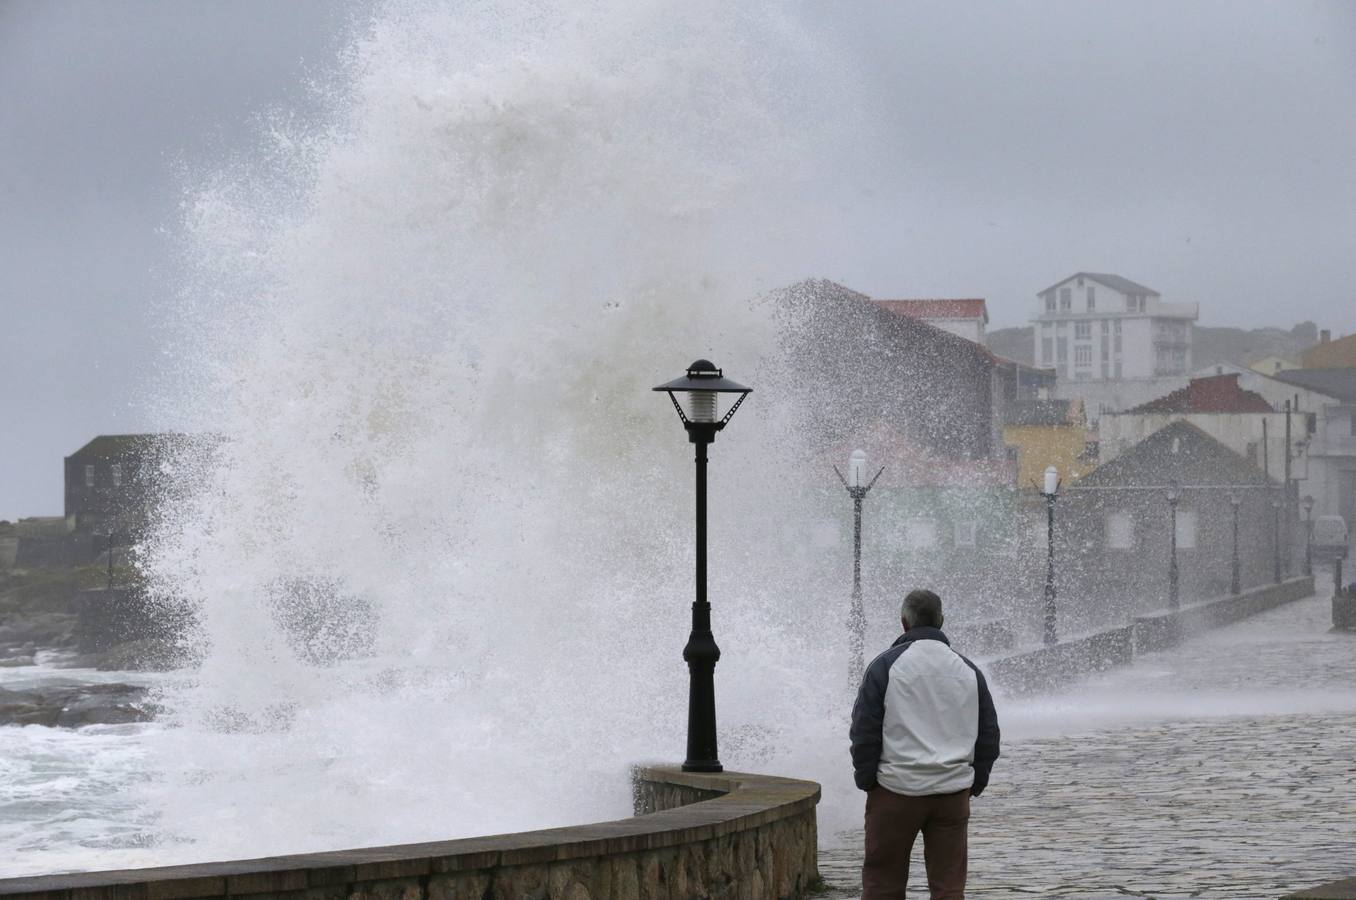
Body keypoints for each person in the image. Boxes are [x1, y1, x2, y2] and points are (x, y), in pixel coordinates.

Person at [849, 588, 1000, 899]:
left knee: (883, 885)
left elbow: (864, 730)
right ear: (941, 621)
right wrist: (973, 783)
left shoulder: (885, 667)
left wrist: (868, 781)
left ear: (904, 623)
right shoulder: (968, 670)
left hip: (895, 790)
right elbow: (989, 735)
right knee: (948, 888)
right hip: (951, 793)